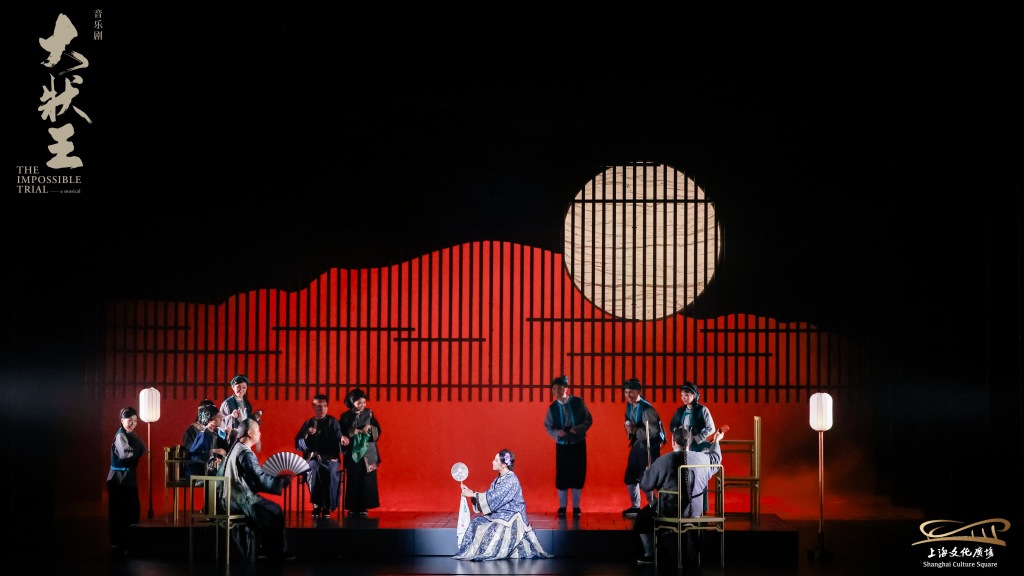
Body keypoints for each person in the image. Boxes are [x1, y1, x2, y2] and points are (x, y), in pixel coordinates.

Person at [632, 426, 724, 565]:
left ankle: (650, 554)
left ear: (673, 442)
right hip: (696, 511)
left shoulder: (662, 461)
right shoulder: (702, 458)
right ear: (689, 441)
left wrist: (647, 471)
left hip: (670, 511)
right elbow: (716, 459)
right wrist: (716, 441)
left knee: (642, 518)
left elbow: (646, 485)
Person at [454, 449, 553, 561]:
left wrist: (472, 494)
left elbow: (495, 497)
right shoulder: (498, 479)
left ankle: (491, 550)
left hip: (511, 517)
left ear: (504, 464)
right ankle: (472, 551)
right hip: (500, 514)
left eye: (496, 460)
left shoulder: (511, 479)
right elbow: (491, 495)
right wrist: (472, 493)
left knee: (492, 529)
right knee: (476, 522)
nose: (492, 462)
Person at [219, 418, 293, 561]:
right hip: (241, 501)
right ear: (250, 433)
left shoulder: (234, 448)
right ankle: (275, 553)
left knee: (269, 510)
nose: (260, 433)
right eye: (258, 430)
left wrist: (277, 480)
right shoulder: (245, 453)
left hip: (229, 499)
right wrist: (282, 481)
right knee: (275, 511)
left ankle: (263, 549)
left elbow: (252, 478)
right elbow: (259, 479)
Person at [543, 374, 593, 517]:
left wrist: (579, 428)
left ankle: (576, 507)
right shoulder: (552, 408)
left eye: (559, 388)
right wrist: (557, 433)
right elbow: (548, 426)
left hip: (578, 442)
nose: (556, 391)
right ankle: (562, 507)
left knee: (578, 472)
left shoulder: (578, 402)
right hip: (562, 444)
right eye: (554, 389)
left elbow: (588, 419)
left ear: (566, 389)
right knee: (562, 474)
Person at [294, 393, 343, 517]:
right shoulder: (309, 423)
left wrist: (343, 441)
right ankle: (317, 505)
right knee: (313, 468)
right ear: (314, 407)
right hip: (314, 459)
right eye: (318, 406)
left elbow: (339, 442)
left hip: (331, 458)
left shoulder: (333, 422)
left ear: (327, 407)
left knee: (330, 470)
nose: (322, 409)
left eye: (324, 406)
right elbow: (299, 444)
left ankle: (327, 506)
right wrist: (306, 433)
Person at [622, 377, 663, 517]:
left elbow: (654, 432)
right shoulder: (629, 406)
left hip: (649, 447)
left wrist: (635, 431)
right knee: (631, 475)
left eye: (631, 392)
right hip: (638, 444)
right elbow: (629, 421)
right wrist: (628, 426)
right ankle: (635, 507)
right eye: (626, 392)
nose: (628, 395)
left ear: (639, 391)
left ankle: (653, 506)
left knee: (647, 476)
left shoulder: (647, 409)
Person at [107, 406, 146, 550]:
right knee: (119, 512)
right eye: (129, 420)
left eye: (135, 421)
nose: (132, 424)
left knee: (132, 510)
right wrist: (138, 450)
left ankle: (129, 540)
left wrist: (137, 447)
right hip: (118, 480)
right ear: (122, 420)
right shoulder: (120, 436)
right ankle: (118, 542)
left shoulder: (131, 435)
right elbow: (126, 454)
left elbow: (144, 449)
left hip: (128, 479)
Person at [338, 388, 381, 517]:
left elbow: (378, 430)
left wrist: (370, 428)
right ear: (352, 402)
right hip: (353, 450)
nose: (362, 405)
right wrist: (350, 432)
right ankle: (353, 506)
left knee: (366, 479)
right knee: (353, 478)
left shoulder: (369, 413)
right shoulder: (345, 416)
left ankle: (364, 506)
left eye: (364, 402)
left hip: (368, 450)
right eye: (359, 403)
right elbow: (340, 433)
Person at [184, 404, 229, 480]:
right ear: (210, 418)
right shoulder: (204, 434)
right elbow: (195, 455)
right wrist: (214, 451)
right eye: (218, 417)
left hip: (207, 469)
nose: (221, 419)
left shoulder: (214, 434)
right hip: (197, 470)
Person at [668, 382, 717, 451]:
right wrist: (679, 432)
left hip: (699, 445)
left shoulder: (702, 410)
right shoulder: (680, 411)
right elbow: (673, 426)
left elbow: (711, 428)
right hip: (683, 445)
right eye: (682, 395)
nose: (683, 398)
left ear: (694, 396)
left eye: (686, 395)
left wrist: (697, 438)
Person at [219, 374, 255, 443]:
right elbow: (219, 421)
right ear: (233, 387)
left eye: (244, 387)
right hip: (232, 437)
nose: (241, 390)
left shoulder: (247, 404)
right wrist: (231, 416)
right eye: (238, 387)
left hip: (244, 436)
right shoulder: (227, 403)